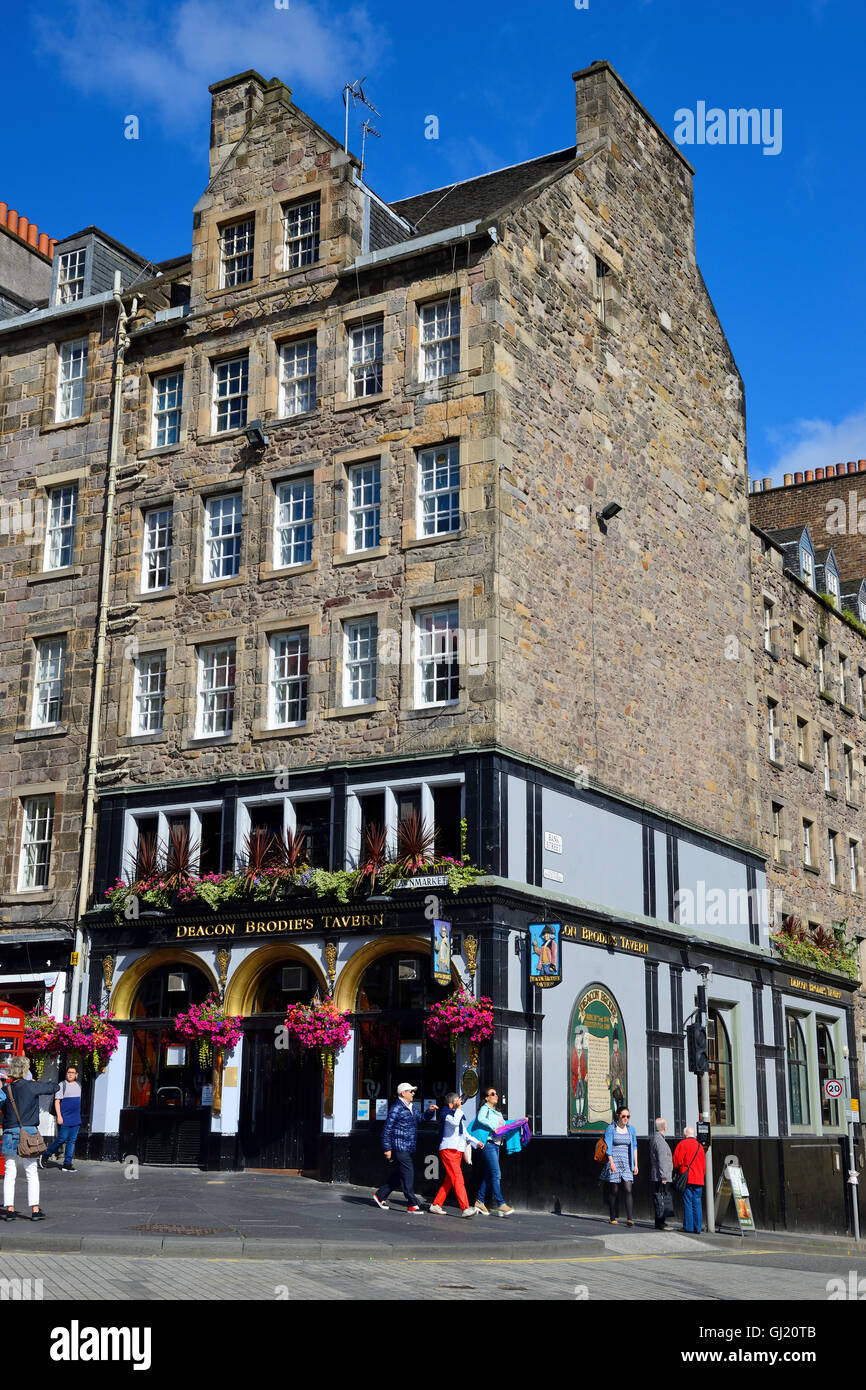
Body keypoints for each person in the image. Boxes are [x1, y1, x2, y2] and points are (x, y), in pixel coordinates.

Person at [0, 1055, 56, 1221]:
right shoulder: (32, 1087)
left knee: (10, 1172)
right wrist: (37, 1083)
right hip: (29, 1134)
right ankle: (35, 1210)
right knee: (31, 1171)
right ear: (25, 1070)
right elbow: (54, 1088)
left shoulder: (5, 1090)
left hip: (10, 1133)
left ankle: (9, 1209)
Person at [372, 1083, 438, 1212]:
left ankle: (380, 1195)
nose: (413, 1093)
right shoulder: (396, 1108)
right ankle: (412, 1203)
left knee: (399, 1174)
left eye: (413, 1091)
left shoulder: (410, 1106)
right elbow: (387, 1129)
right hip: (399, 1146)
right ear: (403, 1093)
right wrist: (387, 1149)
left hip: (408, 1146)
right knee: (408, 1173)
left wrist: (430, 1111)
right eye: (411, 1091)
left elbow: (421, 1118)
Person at [429, 1093, 483, 1217]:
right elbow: (454, 1123)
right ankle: (465, 1208)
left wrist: (477, 1142)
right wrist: (458, 1109)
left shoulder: (457, 1115)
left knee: (450, 1179)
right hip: (448, 1150)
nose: (460, 1102)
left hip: (457, 1151)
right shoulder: (446, 1115)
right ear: (450, 1104)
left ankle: (436, 1204)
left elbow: (464, 1134)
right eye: (457, 1100)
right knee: (458, 1178)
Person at [471, 1086, 514, 1216]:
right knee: (496, 1173)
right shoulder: (485, 1109)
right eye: (492, 1094)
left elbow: (504, 1126)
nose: (496, 1096)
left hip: (496, 1144)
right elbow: (480, 1118)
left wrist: (519, 1122)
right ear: (486, 1097)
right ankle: (500, 1203)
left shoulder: (497, 1112)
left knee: (489, 1175)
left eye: (496, 1094)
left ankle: (480, 1201)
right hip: (488, 1144)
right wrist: (493, 1126)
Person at [601, 1104, 638, 1225]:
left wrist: (636, 1164)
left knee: (628, 1189)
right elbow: (608, 1147)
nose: (626, 1118)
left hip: (626, 1163)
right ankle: (612, 1217)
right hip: (614, 1162)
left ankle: (630, 1218)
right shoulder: (611, 1128)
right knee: (614, 1190)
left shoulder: (631, 1129)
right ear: (618, 1116)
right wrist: (611, 1162)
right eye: (624, 1116)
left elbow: (634, 1147)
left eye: (628, 1116)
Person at [41, 1065, 82, 1172]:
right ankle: (46, 1154)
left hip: (76, 1118)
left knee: (72, 1141)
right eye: (68, 1072)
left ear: (76, 1075)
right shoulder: (62, 1085)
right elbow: (57, 1101)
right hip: (64, 1118)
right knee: (62, 1139)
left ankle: (67, 1164)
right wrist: (59, 1116)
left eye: (72, 1073)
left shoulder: (78, 1085)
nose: (70, 1074)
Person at [672, 1125, 707, 1233]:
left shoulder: (682, 1144)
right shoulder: (700, 1146)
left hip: (687, 1178)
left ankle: (688, 1227)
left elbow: (676, 1162)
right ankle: (697, 1227)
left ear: (685, 1134)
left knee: (688, 1202)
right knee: (697, 1202)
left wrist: (679, 1171)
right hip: (699, 1178)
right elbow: (703, 1166)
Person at [649, 1116, 673, 1230]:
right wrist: (664, 1176)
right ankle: (660, 1222)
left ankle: (659, 1221)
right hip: (661, 1176)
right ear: (664, 1127)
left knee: (659, 1198)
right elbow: (662, 1159)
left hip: (657, 1174)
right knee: (661, 1199)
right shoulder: (660, 1141)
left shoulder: (655, 1138)